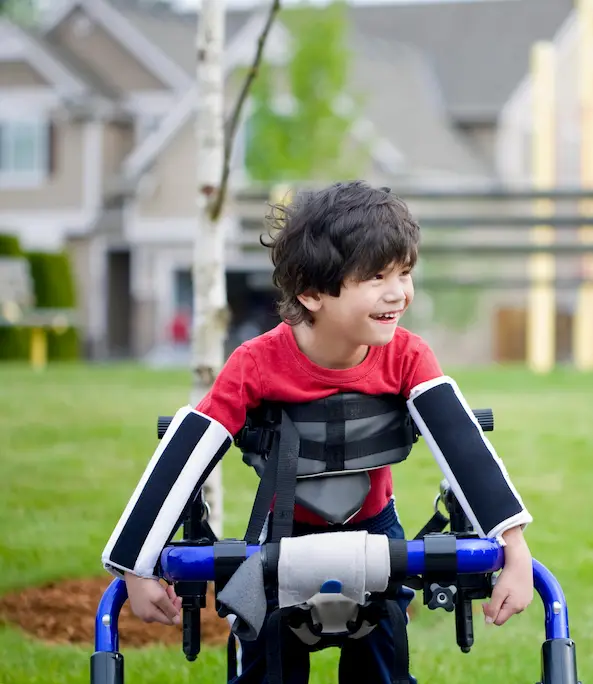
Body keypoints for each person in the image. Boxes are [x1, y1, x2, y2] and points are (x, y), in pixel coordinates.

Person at [100, 181, 535, 683]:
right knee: (268, 667)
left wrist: (515, 548)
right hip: (284, 539)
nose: (398, 292)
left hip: (376, 534)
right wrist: (136, 565)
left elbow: (463, 447)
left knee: (383, 668)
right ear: (310, 292)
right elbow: (189, 449)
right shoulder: (255, 363)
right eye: (376, 276)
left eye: (404, 272)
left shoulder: (408, 356)